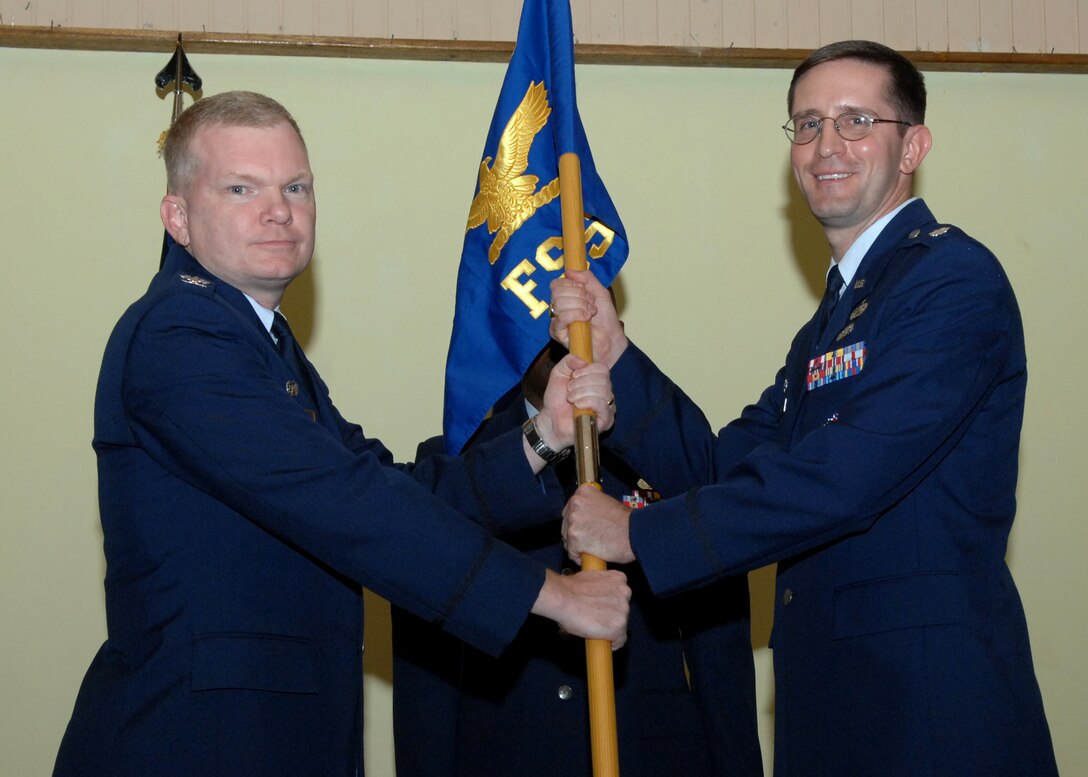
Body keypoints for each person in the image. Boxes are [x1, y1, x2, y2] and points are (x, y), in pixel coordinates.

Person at [52, 90, 631, 777]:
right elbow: (346, 501)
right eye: (241, 188)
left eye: (295, 186)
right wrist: (552, 595)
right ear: (177, 216)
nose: (278, 209)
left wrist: (544, 433)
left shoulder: (260, 341)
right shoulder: (180, 333)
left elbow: (386, 485)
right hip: (197, 742)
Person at [552, 40, 1058, 776]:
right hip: (835, 709)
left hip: (929, 714)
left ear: (912, 144)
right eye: (808, 123)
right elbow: (722, 465)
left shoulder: (953, 281)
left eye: (857, 120)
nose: (828, 144)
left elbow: (844, 478)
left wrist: (641, 531)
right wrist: (618, 353)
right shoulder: (833, 321)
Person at [391, 341, 762, 777]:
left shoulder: (667, 455)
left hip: (650, 753)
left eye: (577, 326)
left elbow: (717, 642)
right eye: (544, 328)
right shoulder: (454, 465)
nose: (565, 341)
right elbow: (426, 670)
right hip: (505, 755)